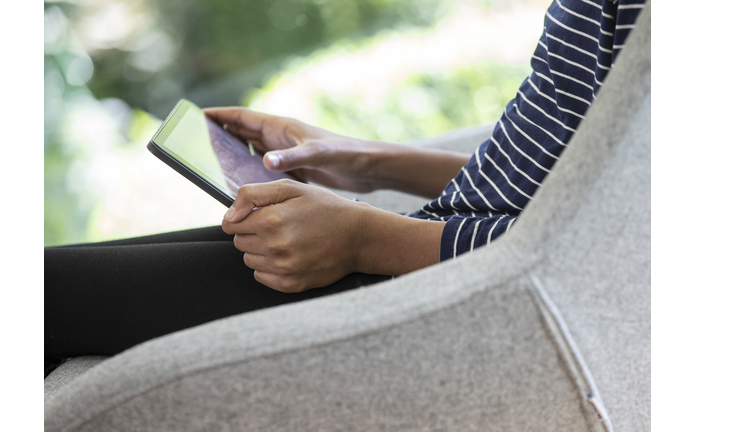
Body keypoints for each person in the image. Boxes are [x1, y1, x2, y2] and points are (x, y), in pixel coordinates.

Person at [45, 0, 647, 375]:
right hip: (454, 247)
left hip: (475, 294)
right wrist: (361, 163)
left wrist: (365, 239)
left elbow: (616, 250)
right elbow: (570, 177)